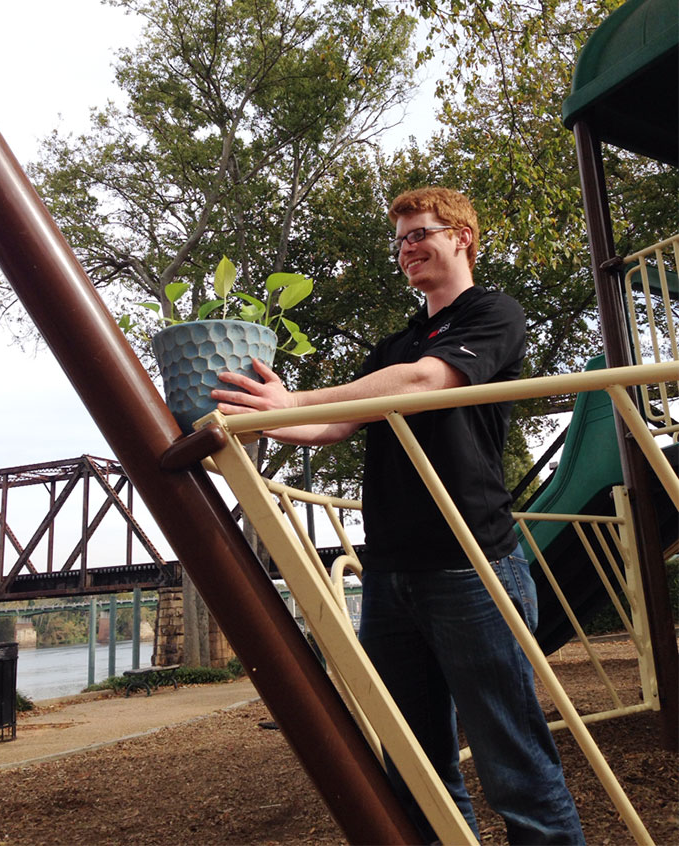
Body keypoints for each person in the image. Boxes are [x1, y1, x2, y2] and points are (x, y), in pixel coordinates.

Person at [211, 186, 585, 845]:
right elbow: (331, 423)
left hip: (471, 566)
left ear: (462, 237)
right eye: (400, 240)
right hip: (388, 576)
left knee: (515, 766)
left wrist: (292, 398)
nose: (407, 248)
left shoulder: (493, 314)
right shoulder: (394, 345)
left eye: (420, 233)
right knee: (415, 769)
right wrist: (244, 421)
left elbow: (426, 384)